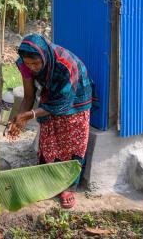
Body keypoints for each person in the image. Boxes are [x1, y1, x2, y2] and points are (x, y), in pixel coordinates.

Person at [7, 34, 97, 209]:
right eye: (28, 64)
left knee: (72, 143)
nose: (32, 68)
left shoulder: (65, 66)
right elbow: (29, 95)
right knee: (50, 139)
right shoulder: (24, 63)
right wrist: (20, 119)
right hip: (52, 93)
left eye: (36, 64)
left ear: (45, 56)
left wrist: (28, 115)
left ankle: (67, 186)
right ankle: (49, 180)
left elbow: (62, 103)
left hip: (75, 96)